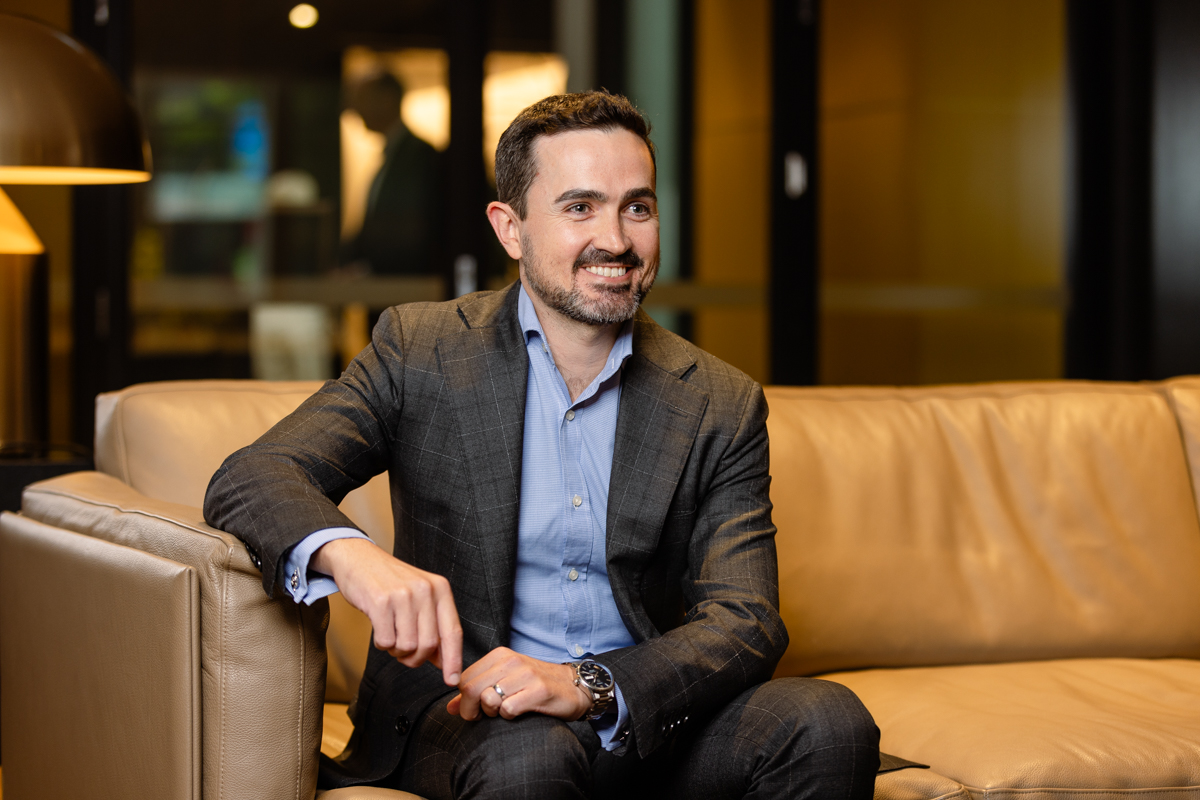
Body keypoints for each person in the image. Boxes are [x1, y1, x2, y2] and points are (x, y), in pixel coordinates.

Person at [205, 91, 879, 799]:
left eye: (638, 207)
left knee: (827, 722)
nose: (616, 239)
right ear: (511, 228)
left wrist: (586, 685)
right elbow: (252, 476)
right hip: (469, 715)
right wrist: (356, 559)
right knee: (532, 755)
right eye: (580, 207)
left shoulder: (718, 400)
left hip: (636, 716)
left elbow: (745, 621)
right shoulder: (422, 351)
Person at [342, 72, 442, 275]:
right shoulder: (398, 155)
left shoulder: (420, 156)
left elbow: (409, 228)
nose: (354, 110)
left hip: (407, 289)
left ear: (387, 99)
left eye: (362, 99)